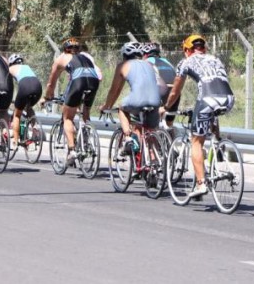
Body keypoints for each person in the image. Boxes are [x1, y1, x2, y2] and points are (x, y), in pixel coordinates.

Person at [161, 34, 235, 198]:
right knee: (211, 112)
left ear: (187, 50)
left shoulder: (185, 62)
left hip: (208, 99)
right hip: (229, 98)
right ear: (204, 49)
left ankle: (201, 184)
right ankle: (217, 140)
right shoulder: (215, 59)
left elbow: (175, 91)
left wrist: (166, 107)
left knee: (196, 142)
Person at [42, 37, 100, 165]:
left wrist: (47, 97)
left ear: (65, 49)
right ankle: (86, 140)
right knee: (85, 111)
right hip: (94, 81)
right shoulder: (85, 57)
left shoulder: (61, 58)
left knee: (67, 117)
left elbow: (51, 83)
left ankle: (72, 149)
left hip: (78, 81)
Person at [99, 42, 161, 155]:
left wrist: (107, 106)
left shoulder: (123, 65)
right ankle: (154, 161)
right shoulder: (148, 64)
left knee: (122, 108)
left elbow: (115, 90)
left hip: (137, 100)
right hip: (156, 101)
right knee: (150, 133)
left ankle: (128, 138)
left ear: (124, 55)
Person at [8, 53, 43, 148]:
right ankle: (34, 126)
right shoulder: (27, 67)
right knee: (28, 107)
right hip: (38, 86)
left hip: (25, 86)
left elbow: (8, 85)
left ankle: (15, 141)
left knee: (17, 115)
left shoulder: (11, 69)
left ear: (11, 63)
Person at [142, 42, 178, 131]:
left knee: (147, 120)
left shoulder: (146, 62)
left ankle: (151, 135)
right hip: (175, 93)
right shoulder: (167, 62)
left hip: (160, 90)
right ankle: (171, 137)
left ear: (145, 54)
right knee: (169, 123)